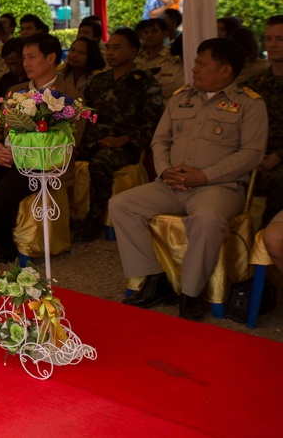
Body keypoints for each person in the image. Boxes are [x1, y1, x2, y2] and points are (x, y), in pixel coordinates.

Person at [112, 38, 267, 321]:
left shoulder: (249, 104)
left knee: (207, 219)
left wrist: (205, 176)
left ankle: (191, 294)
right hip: (170, 184)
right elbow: (159, 141)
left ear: (225, 70)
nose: (194, 68)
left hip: (218, 187)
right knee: (121, 205)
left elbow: (252, 154)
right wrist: (164, 170)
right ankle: (155, 280)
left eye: (201, 63)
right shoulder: (181, 97)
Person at [0, 34, 82, 262]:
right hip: (6, 157)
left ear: (51, 58)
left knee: (1, 195)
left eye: (32, 57)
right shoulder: (15, 91)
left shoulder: (70, 96)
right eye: (24, 57)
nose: (26, 63)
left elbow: (69, 141)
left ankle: (4, 247)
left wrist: (23, 153)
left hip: (41, 162)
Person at [72, 28, 165, 242]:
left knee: (101, 163)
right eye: (108, 48)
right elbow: (86, 114)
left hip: (125, 145)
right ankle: (63, 216)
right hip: (94, 140)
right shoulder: (99, 81)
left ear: (132, 51)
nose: (110, 52)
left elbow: (153, 122)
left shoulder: (145, 82)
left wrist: (123, 140)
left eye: (116, 48)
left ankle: (94, 220)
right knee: (60, 154)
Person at [244, 15, 283, 227]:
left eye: (280, 39)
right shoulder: (255, 83)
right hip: (256, 155)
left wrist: (278, 156)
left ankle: (267, 248)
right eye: (269, 39)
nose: (273, 44)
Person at [134, 18, 185, 101]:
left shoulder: (174, 58)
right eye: (146, 32)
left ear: (164, 33)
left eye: (154, 31)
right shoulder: (136, 59)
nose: (149, 35)